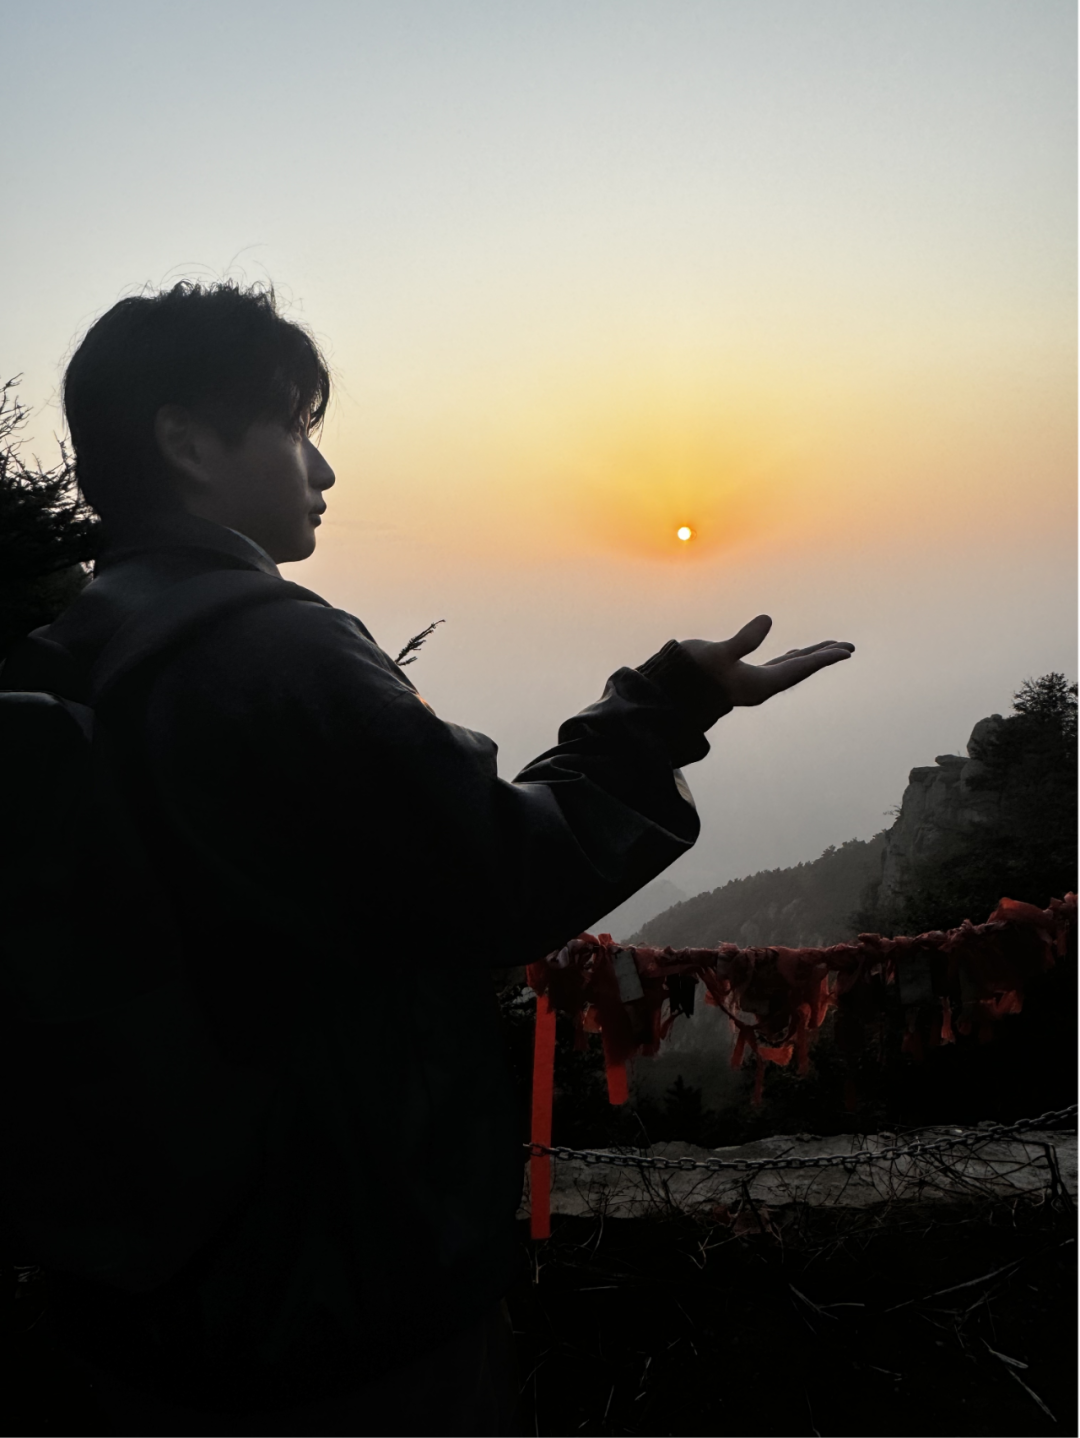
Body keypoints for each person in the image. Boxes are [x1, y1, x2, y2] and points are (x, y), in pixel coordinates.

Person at [3, 282, 853, 1435]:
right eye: (295, 427)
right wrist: (665, 706)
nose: (324, 468)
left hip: (135, 1298)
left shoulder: (65, 655)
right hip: (332, 1313)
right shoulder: (274, 649)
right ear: (187, 442)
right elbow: (499, 873)